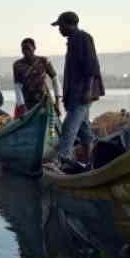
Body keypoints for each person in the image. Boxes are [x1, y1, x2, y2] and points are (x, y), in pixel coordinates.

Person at [52, 11, 105, 163]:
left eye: (60, 26)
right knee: (84, 129)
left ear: (69, 24)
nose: (59, 29)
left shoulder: (83, 38)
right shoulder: (73, 40)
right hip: (75, 94)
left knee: (68, 128)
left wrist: (88, 90)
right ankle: (90, 160)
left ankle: (61, 160)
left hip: (81, 94)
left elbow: (91, 66)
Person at [12, 38, 60, 118]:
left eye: (28, 48)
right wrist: (22, 106)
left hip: (44, 101)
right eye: (23, 49)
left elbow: (55, 79)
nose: (26, 51)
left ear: (34, 48)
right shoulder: (17, 65)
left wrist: (57, 102)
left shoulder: (44, 61)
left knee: (49, 121)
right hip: (27, 102)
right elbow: (17, 86)